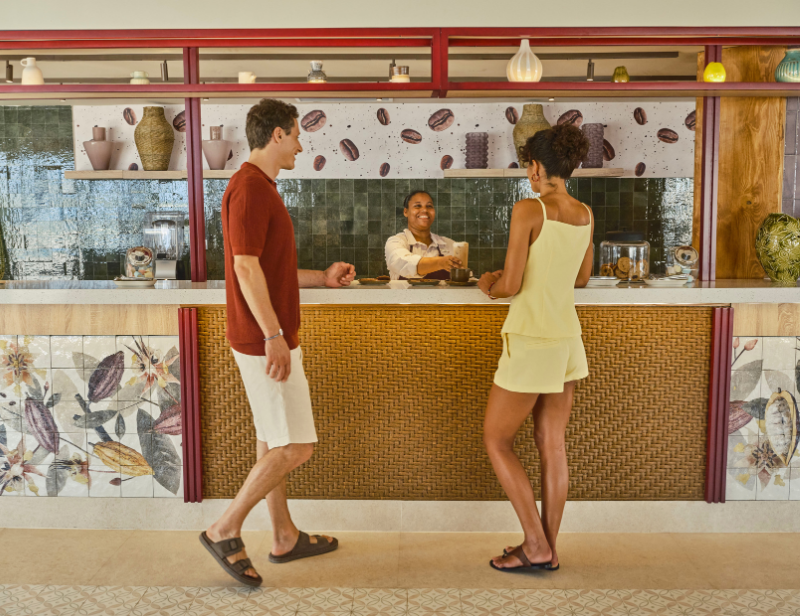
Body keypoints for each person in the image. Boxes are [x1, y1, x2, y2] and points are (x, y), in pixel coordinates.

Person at [200, 98, 356, 587]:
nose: (301, 144)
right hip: (262, 338)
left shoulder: (260, 187)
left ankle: (284, 535)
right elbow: (244, 268)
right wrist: (273, 335)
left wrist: (322, 278)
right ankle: (224, 529)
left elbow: (268, 269)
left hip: (264, 335)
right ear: (278, 136)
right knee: (298, 446)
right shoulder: (249, 188)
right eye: (295, 134)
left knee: (273, 441)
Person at [477, 123, 593, 572]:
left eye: (529, 164)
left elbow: (510, 283)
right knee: (552, 445)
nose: (529, 172)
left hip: (530, 340)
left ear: (539, 166)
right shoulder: (584, 213)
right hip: (566, 339)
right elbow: (581, 278)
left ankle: (535, 543)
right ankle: (547, 548)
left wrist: (488, 284)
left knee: (496, 439)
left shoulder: (530, 209)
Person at [384, 190, 462, 280]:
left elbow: (465, 278)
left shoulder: (449, 244)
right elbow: (404, 264)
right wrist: (441, 263)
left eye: (429, 206)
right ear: (406, 212)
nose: (425, 210)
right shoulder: (395, 242)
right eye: (417, 206)